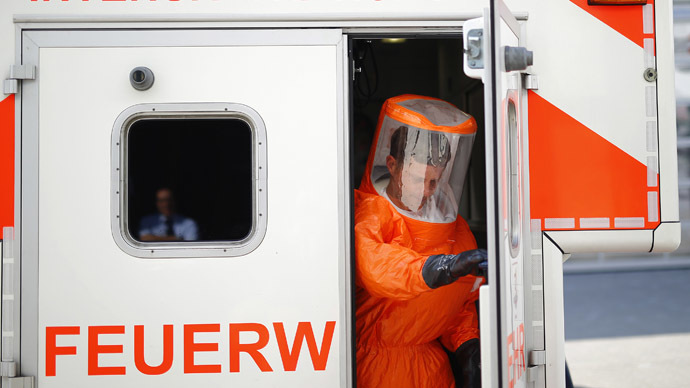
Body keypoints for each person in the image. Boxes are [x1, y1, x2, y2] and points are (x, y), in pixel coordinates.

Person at [354, 95, 487, 388]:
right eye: (417, 180)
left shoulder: (450, 222)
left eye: (434, 182)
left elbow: (456, 303)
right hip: (380, 367)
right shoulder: (373, 210)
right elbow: (376, 268)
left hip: (432, 366)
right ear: (391, 164)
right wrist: (441, 267)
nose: (426, 192)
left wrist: (467, 345)